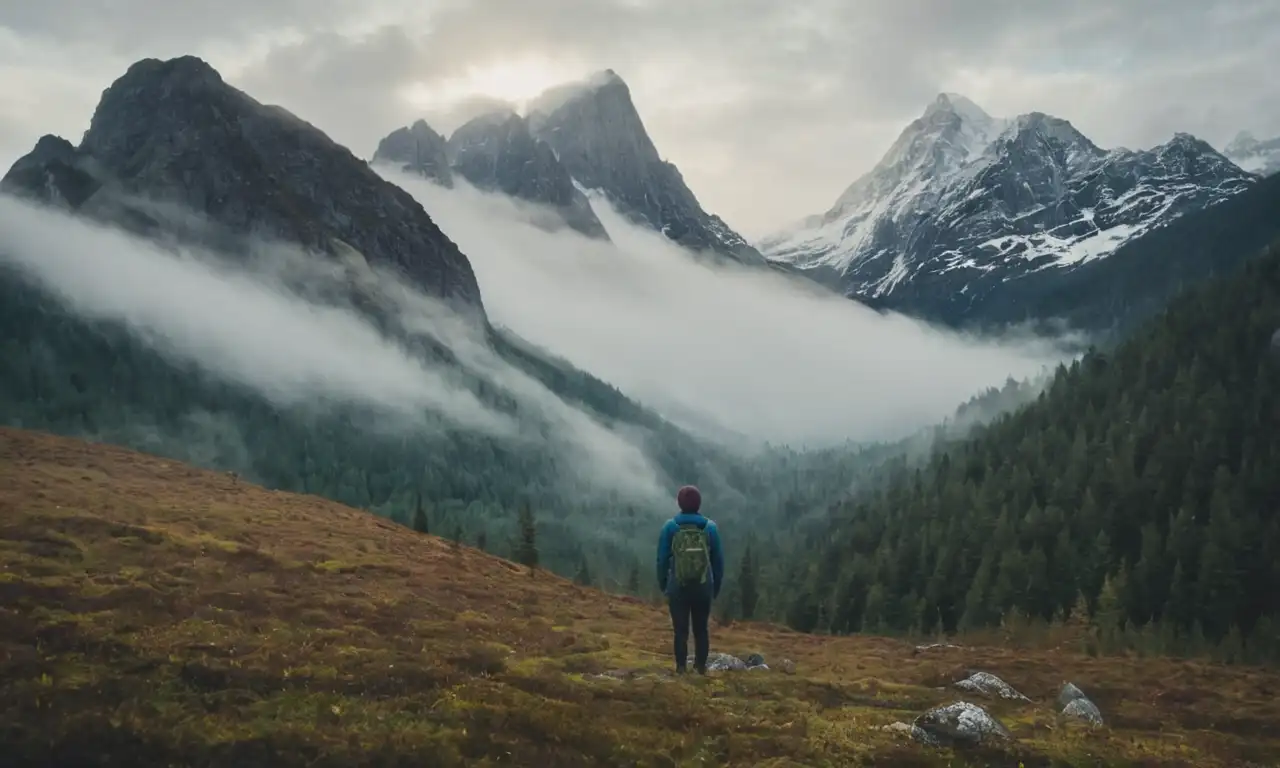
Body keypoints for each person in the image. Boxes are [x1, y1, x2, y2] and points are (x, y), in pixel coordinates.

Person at [655, 484, 724, 675]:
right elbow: (718, 561)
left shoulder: (670, 527)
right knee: (701, 630)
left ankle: (680, 669)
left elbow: (661, 559)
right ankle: (700, 669)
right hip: (703, 587)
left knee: (680, 631)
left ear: (679, 503)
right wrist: (715, 588)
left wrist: (664, 584)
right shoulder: (710, 527)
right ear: (699, 504)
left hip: (678, 586)